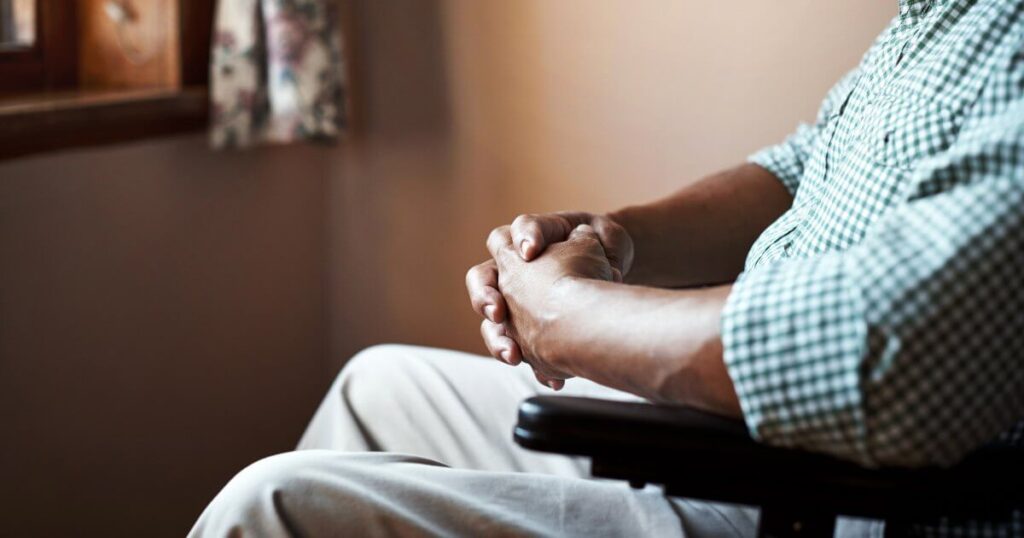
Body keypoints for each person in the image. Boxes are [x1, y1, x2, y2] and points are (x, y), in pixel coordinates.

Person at [190, 1, 1024, 536]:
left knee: (271, 507)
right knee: (378, 389)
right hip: (758, 446)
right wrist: (613, 239)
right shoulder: (946, 14)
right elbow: (806, 171)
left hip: (839, 499)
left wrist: (572, 320)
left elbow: (889, 355)